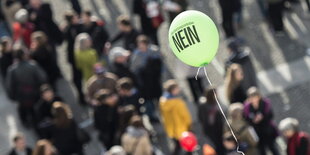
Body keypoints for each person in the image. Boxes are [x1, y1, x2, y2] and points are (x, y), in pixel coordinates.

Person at [6, 48, 47, 127]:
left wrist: (13, 97)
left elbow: (10, 85)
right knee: (35, 111)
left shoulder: (12, 70)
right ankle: (38, 124)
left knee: (23, 111)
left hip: (21, 97)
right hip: (35, 94)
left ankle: (26, 122)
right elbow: (43, 78)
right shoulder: (32, 65)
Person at [130, 35, 162, 122]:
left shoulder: (154, 50)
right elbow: (134, 69)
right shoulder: (136, 55)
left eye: (143, 44)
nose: (141, 47)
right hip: (145, 81)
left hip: (155, 79)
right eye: (139, 45)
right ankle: (152, 116)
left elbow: (160, 62)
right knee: (149, 100)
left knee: (159, 97)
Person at [243, 87, 280, 155]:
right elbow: (246, 119)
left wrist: (262, 117)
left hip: (267, 130)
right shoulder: (247, 107)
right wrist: (253, 120)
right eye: (252, 98)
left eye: (255, 97)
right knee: (261, 150)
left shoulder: (265, 103)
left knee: (272, 147)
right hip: (257, 132)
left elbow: (271, 115)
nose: (254, 100)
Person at [160, 80, 192, 155]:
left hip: (172, 129)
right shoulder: (178, 103)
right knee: (188, 145)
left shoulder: (162, 102)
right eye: (177, 88)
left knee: (178, 145)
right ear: (173, 90)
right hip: (182, 128)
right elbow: (185, 116)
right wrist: (189, 125)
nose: (179, 90)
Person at [198, 88, 225, 155]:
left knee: (220, 146)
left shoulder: (216, 103)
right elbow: (201, 117)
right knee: (213, 146)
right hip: (210, 130)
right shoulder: (204, 105)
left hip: (219, 129)